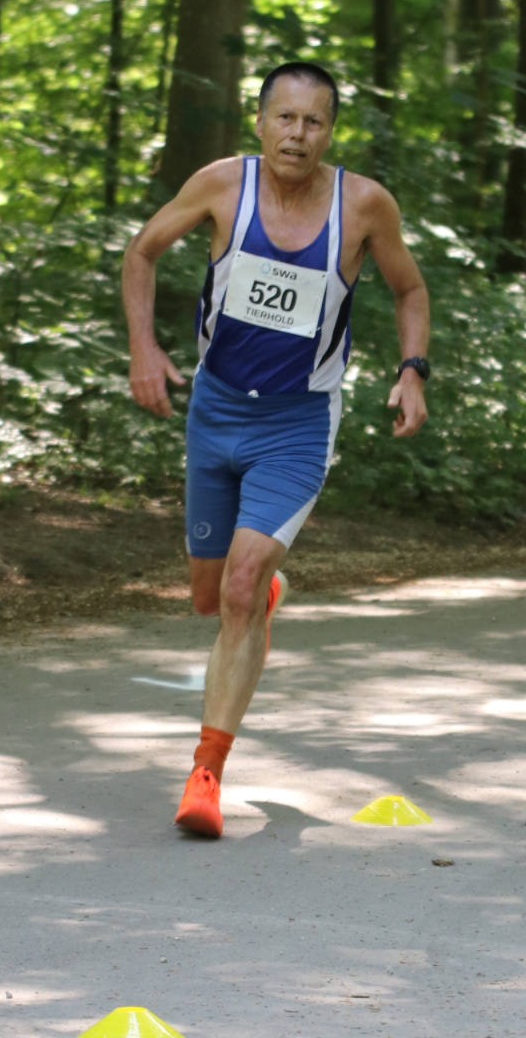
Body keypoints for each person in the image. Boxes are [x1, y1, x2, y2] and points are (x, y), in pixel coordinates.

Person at [122, 61, 430, 838]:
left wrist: (411, 371)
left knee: (240, 584)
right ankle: (260, 595)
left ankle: (205, 775)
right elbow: (141, 252)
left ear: (331, 132)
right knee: (210, 596)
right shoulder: (222, 184)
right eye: (285, 118)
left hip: (298, 423)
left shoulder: (362, 205)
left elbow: (409, 288)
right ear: (260, 122)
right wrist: (144, 349)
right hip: (216, 410)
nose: (298, 134)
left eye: (313, 121)